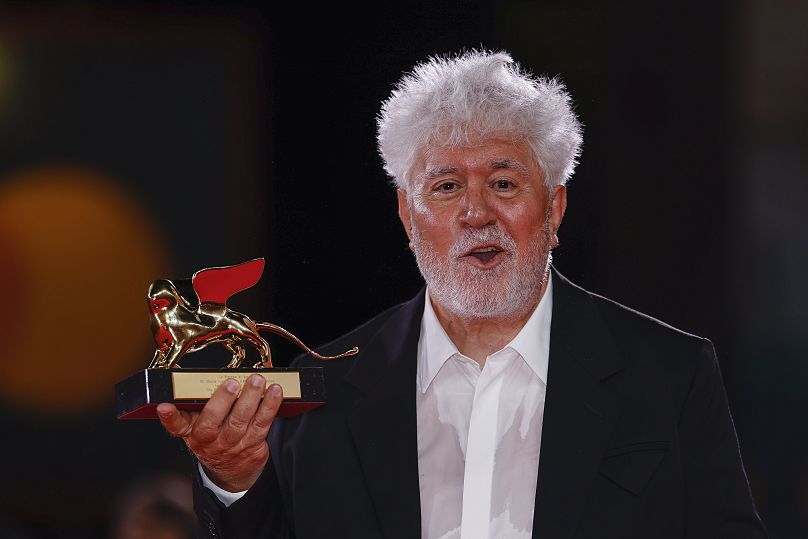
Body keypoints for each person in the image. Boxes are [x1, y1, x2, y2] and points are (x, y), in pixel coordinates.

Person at [157, 50, 767, 538]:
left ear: (553, 208)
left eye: (504, 182)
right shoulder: (325, 392)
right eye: (446, 187)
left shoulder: (669, 374)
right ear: (406, 214)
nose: (478, 212)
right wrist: (236, 476)